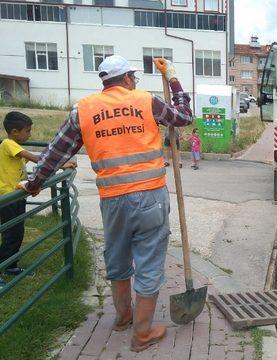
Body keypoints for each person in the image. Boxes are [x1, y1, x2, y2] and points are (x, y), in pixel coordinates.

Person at [18, 54, 193, 352]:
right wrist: (173, 78)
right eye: (133, 77)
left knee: (118, 257)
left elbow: (56, 151)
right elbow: (184, 117)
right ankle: (142, 334)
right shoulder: (144, 101)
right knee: (149, 261)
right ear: (125, 79)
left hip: (112, 200)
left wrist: (34, 184)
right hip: (149, 196)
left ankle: (123, 317)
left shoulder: (82, 110)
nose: (135, 81)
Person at [0, 112, 71, 287]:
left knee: (17, 232)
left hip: (15, 195)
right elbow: (36, 158)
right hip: (6, 197)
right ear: (15, 131)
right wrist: (62, 164)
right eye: (28, 131)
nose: (30, 135)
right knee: (9, 234)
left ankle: (10, 265)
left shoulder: (13, 144)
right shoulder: (8, 144)